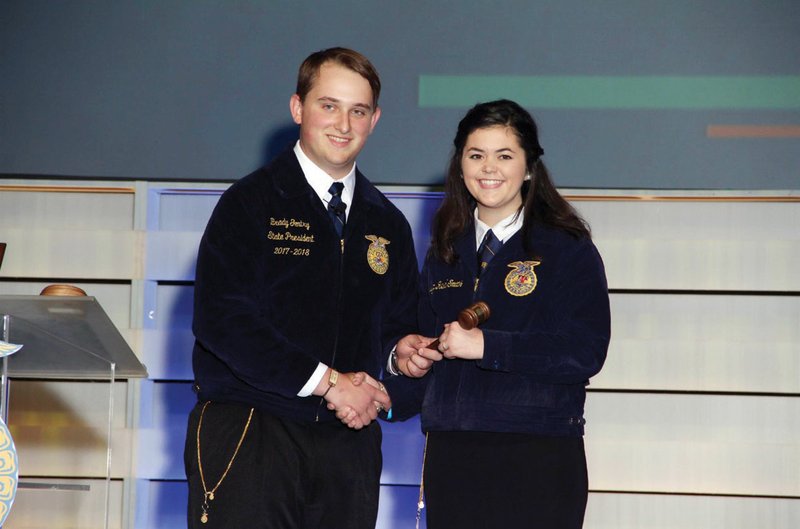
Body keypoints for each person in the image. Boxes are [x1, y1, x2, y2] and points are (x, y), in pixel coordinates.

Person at [184, 47, 421, 529]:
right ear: (298, 109)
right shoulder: (249, 203)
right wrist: (330, 382)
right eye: (328, 106)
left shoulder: (388, 223)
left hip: (348, 443)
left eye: (358, 111)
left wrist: (401, 362)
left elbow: (401, 328)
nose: (343, 124)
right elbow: (223, 320)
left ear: (374, 120)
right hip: (252, 428)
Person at [394, 99, 611, 529]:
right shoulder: (444, 251)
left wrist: (487, 345)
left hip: (537, 454)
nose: (488, 168)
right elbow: (424, 341)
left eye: (505, 155)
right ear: (460, 166)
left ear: (529, 167)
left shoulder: (567, 248)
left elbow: (584, 352)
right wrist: (408, 358)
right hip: (453, 456)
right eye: (476, 155)